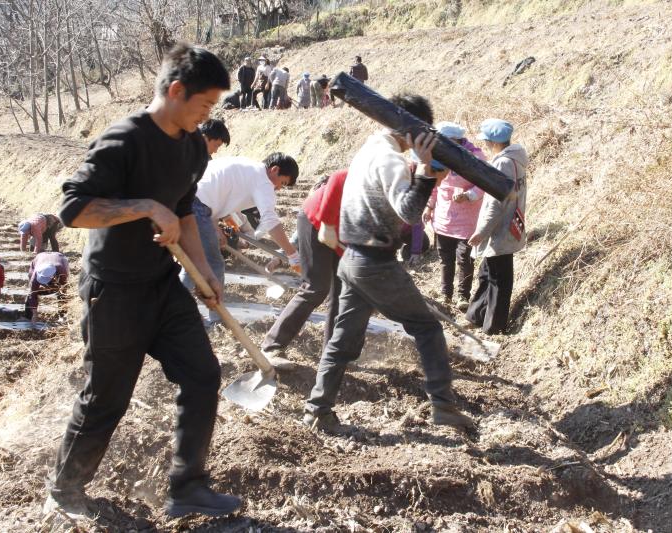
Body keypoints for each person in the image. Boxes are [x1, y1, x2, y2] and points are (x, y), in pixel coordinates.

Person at [44, 43, 241, 520]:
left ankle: (187, 487)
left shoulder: (192, 146)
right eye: (205, 104)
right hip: (113, 291)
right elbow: (73, 210)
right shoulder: (123, 140)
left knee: (202, 374)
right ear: (176, 91)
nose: (208, 114)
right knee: (107, 396)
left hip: (162, 284)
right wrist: (144, 206)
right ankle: (65, 491)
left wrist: (205, 272)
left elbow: (184, 212)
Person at [303, 94, 474, 433]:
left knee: (342, 340)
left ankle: (317, 409)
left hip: (351, 259)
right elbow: (409, 212)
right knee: (427, 328)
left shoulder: (369, 149)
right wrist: (424, 171)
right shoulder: (390, 160)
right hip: (375, 263)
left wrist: (424, 174)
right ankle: (443, 405)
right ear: (412, 127)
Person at [180, 153, 301, 325]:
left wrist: (214, 227)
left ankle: (175, 308)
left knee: (194, 262)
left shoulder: (247, 167)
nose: (279, 188)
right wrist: (292, 254)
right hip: (197, 207)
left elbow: (214, 193)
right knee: (213, 263)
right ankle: (215, 317)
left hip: (188, 199)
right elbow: (270, 221)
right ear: (274, 170)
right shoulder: (262, 180)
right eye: (282, 183)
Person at [261, 169, 347, 360]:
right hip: (317, 221)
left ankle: (331, 354)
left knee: (341, 292)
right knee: (316, 287)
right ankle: (272, 345)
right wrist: (282, 256)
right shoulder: (372, 179)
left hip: (342, 232)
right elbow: (298, 236)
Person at [465, 119, 528, 335]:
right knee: (487, 272)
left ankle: (493, 326)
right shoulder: (517, 158)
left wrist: (481, 232)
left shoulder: (502, 164)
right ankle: (476, 315)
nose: (486, 145)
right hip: (510, 224)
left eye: (487, 141)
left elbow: (495, 203)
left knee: (498, 279)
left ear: (494, 142)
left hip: (499, 229)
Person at [422, 122, 485, 311]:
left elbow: (484, 183)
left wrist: (468, 195)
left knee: (465, 258)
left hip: (467, 217)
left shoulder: (475, 157)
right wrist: (429, 206)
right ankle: (445, 294)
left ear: (455, 140)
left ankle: (463, 295)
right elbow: (434, 184)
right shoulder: (437, 155)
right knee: (445, 258)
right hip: (443, 216)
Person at [24, 251, 69, 322]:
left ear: (54, 276)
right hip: (40, 258)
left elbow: (63, 289)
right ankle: (29, 316)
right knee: (31, 293)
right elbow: (33, 293)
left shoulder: (61, 271)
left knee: (62, 293)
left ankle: (62, 315)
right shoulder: (35, 275)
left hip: (58, 257)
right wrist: (35, 314)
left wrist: (54, 287)